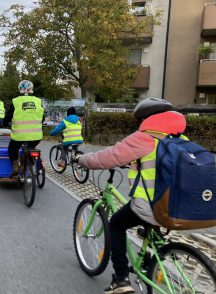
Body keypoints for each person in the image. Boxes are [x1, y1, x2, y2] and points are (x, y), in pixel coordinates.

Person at [77, 97, 185, 294]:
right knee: (145, 223)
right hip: (181, 205)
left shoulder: (145, 138)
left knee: (116, 224)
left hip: (153, 205)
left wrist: (81, 159)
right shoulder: (181, 139)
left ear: (145, 119)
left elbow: (108, 157)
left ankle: (121, 279)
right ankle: (148, 262)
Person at [3, 80, 44, 177]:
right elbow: (42, 117)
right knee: (31, 148)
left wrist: (4, 123)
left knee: (12, 149)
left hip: (19, 136)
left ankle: (16, 166)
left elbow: (8, 116)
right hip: (36, 136)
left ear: (19, 89)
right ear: (31, 89)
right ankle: (31, 163)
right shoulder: (38, 101)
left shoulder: (16, 101)